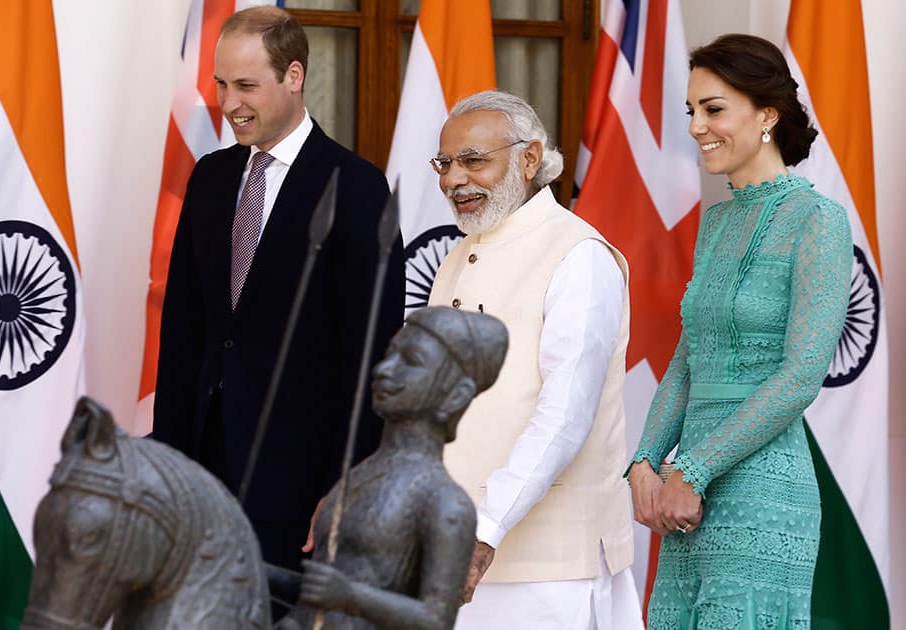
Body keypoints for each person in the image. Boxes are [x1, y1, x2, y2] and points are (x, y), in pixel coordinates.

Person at [152, 5, 405, 582]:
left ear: (294, 77)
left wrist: (348, 484)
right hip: (202, 473)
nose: (229, 102)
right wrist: (170, 465)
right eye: (221, 84)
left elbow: (373, 354)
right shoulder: (211, 177)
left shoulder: (356, 187)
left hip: (300, 487)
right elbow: (184, 330)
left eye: (246, 85)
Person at [627, 34, 853, 629]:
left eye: (714, 108)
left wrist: (693, 469)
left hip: (761, 490)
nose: (697, 126)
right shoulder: (718, 220)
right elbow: (689, 356)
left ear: (767, 115)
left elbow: (802, 375)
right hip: (686, 495)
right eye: (691, 111)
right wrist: (646, 461)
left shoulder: (819, 220)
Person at [427, 90, 643, 630]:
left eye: (474, 160)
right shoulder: (455, 258)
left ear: (529, 159)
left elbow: (565, 415)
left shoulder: (578, 255)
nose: (455, 179)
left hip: (546, 570)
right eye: (445, 163)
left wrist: (486, 528)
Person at [274, 306, 508, 629]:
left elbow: (436, 619)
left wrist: (350, 596)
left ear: (455, 396)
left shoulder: (445, 501)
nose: (385, 369)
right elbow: (318, 592)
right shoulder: (357, 476)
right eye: (389, 355)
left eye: (410, 362)